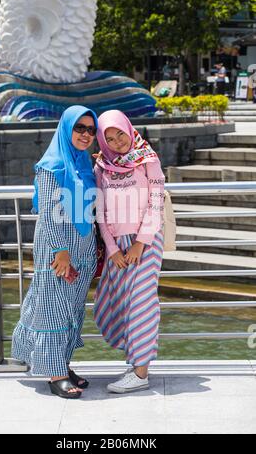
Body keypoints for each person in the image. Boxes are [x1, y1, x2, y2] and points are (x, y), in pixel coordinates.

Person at [11, 105, 98, 399]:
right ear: (65, 129)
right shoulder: (52, 165)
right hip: (56, 246)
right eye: (79, 128)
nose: (86, 134)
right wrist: (60, 251)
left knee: (72, 308)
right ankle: (55, 373)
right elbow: (48, 212)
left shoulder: (84, 162)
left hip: (83, 246)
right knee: (52, 307)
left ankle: (62, 363)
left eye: (90, 129)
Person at [93, 110, 165, 394]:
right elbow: (100, 210)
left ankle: (141, 372)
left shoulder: (148, 159)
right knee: (120, 302)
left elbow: (156, 202)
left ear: (129, 129)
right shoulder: (101, 166)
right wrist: (111, 249)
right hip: (117, 246)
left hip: (146, 243)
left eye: (120, 133)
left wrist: (140, 242)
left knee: (142, 302)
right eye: (109, 138)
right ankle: (135, 360)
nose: (117, 141)